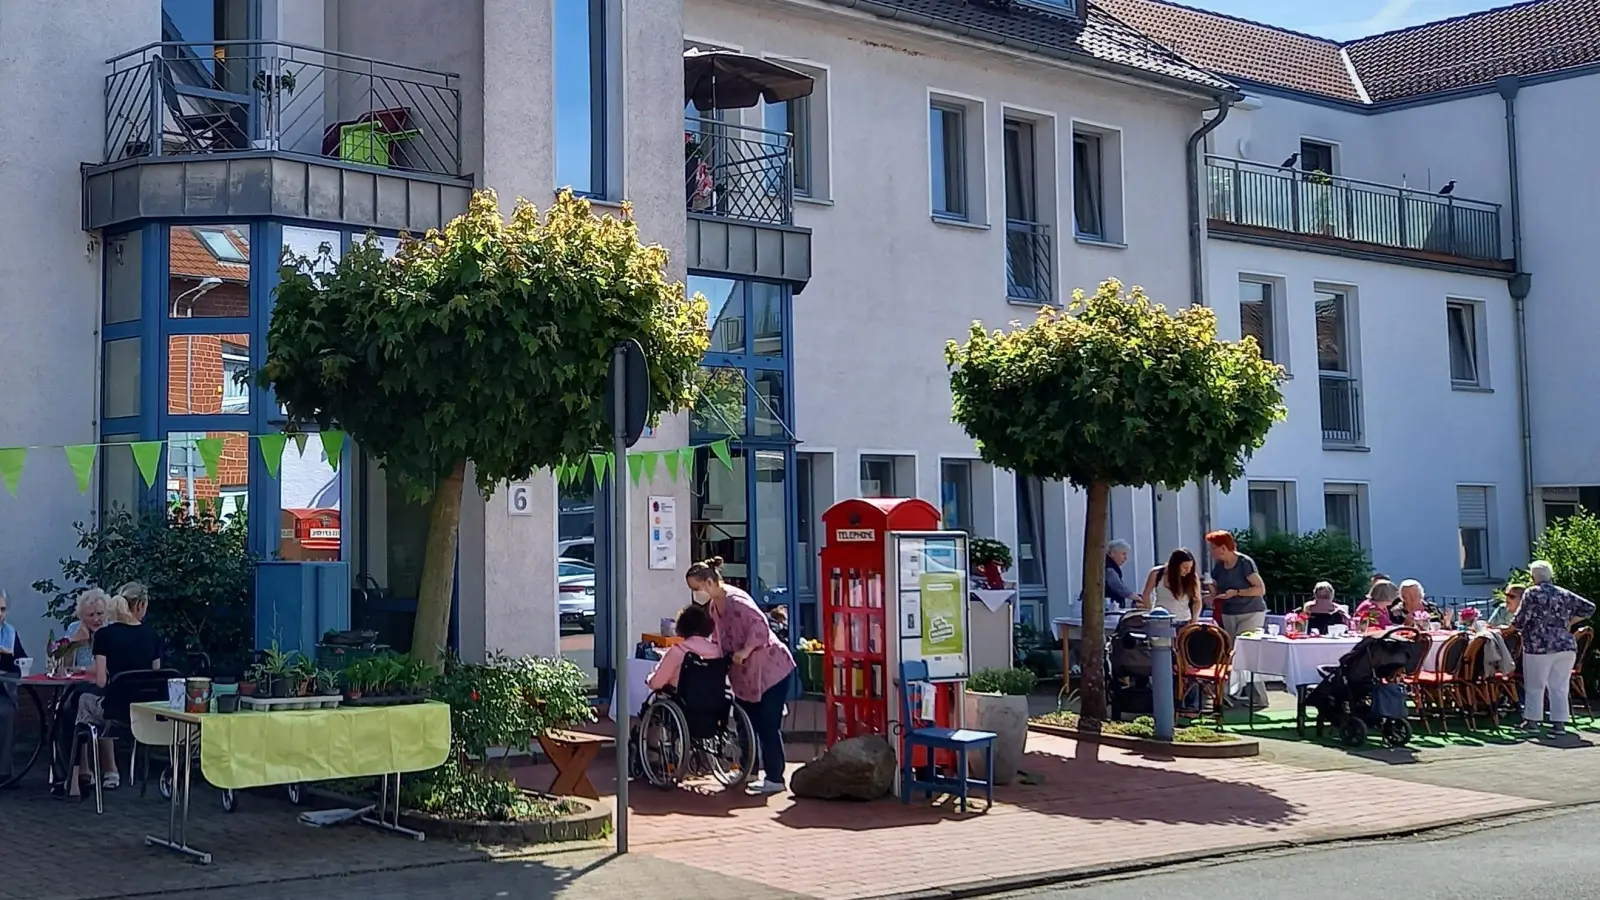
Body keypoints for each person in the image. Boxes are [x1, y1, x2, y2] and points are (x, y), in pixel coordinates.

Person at [687, 556, 795, 797]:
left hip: (770, 670)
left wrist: (745, 650)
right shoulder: (715, 606)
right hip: (745, 674)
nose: (696, 594)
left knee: (767, 724)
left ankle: (775, 778)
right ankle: (750, 770)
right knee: (745, 721)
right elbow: (720, 637)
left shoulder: (737, 600)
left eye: (696, 588)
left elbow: (761, 627)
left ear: (709, 582)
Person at [70, 584, 164, 794]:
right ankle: (106, 771)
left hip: (116, 712)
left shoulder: (105, 636)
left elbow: (102, 681)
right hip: (146, 712)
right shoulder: (153, 635)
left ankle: (76, 777)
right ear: (141, 605)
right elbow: (156, 676)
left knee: (81, 702)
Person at [1514, 560, 1595, 735]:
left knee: (1535, 685)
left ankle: (1533, 721)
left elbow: (1520, 620)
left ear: (1533, 576)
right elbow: (1589, 607)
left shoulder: (1532, 592)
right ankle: (1559, 724)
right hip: (1565, 645)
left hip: (1539, 645)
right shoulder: (1563, 593)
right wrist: (1569, 622)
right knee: (1559, 686)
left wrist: (1513, 627)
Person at [1204, 530, 1268, 707]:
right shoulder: (1219, 566)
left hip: (1251, 612)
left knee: (1244, 652)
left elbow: (1260, 589)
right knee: (1229, 652)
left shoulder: (1245, 563)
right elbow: (1218, 590)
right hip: (1228, 613)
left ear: (1223, 548)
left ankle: (1248, 696)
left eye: (1213, 548)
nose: (1211, 552)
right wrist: (1211, 594)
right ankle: (1230, 694)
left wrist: (1238, 592)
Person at [647, 605, 722, 693]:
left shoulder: (677, 652)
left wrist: (649, 679)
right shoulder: (717, 652)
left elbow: (656, 684)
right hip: (713, 701)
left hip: (683, 702)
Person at [0, 589, 27, 789]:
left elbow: (20, 663)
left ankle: (3, 772)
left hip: (2, 690)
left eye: (2, 609)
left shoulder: (10, 633)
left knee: (7, 712)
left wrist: (8, 657)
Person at [1139, 548, 1202, 624]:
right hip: (1162, 620)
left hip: (1184, 620)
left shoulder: (1192, 577)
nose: (1188, 571)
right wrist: (1150, 612)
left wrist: (1195, 618)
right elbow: (1146, 594)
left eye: (1190, 568)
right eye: (1185, 567)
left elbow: (1197, 600)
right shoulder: (1157, 573)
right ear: (1175, 566)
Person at [62, 589, 109, 671]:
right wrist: (74, 641)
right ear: (81, 616)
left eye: (99, 613)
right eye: (91, 615)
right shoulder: (73, 628)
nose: (96, 619)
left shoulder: (112, 630)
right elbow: (65, 668)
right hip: (78, 682)